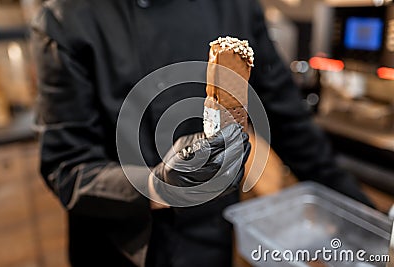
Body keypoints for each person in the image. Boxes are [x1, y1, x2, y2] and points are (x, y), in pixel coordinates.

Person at [31, 0, 374, 266]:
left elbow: (290, 121)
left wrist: (372, 222)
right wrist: (157, 186)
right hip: (118, 247)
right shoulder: (65, 18)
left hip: (209, 239)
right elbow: (68, 167)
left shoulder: (232, 4)